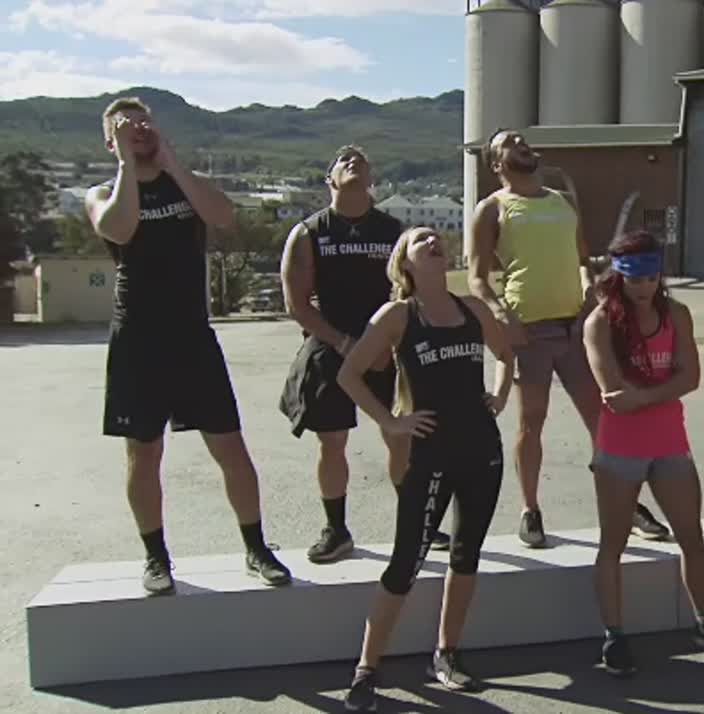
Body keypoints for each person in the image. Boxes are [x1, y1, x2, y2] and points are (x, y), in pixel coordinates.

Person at [85, 98, 292, 595]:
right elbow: (119, 228)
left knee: (230, 446)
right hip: (138, 339)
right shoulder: (103, 192)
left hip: (192, 335)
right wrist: (127, 163)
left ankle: (256, 548)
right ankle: (156, 558)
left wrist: (172, 163)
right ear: (110, 140)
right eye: (127, 128)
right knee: (144, 453)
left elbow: (223, 216)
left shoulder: (184, 182)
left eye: (145, 124)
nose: (139, 131)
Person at [339, 226, 513, 711]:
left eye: (437, 237)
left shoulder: (473, 309)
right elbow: (349, 374)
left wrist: (500, 394)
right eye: (421, 239)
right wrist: (391, 422)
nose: (433, 242)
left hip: (482, 451)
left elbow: (506, 353)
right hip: (430, 455)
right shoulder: (397, 315)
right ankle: (366, 670)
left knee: (466, 555)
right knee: (405, 564)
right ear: (405, 262)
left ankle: (447, 654)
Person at [467, 128, 668, 547]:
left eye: (522, 138)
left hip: (576, 328)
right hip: (529, 331)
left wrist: (590, 290)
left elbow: (581, 260)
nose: (521, 142)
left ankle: (626, 505)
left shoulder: (561, 201)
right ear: (496, 163)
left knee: (604, 419)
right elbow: (477, 278)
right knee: (531, 422)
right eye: (509, 142)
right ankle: (530, 510)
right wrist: (503, 316)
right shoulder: (492, 209)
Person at [582, 231, 704, 677]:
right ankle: (614, 636)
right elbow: (614, 393)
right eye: (635, 279)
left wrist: (646, 395)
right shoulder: (600, 322)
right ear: (618, 276)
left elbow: (691, 377)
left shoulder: (677, 314)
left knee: (691, 535)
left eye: (651, 277)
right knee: (612, 544)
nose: (644, 287)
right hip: (620, 448)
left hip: (670, 443)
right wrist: (660, 389)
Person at [279, 144, 448, 563]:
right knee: (332, 441)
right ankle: (336, 530)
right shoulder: (308, 233)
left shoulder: (394, 232)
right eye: (343, 160)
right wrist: (345, 345)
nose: (353, 161)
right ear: (330, 179)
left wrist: (387, 345)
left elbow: (412, 290)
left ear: (371, 179)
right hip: (332, 346)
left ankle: (416, 522)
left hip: (389, 350)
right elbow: (297, 305)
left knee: (401, 436)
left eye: (361, 160)